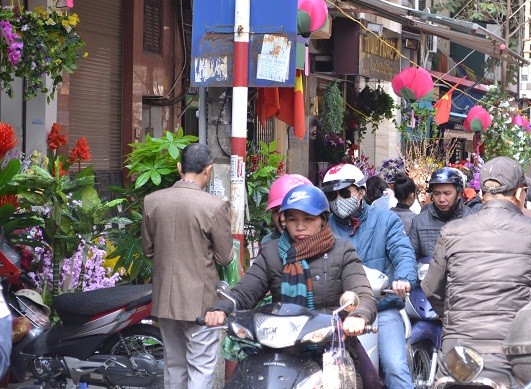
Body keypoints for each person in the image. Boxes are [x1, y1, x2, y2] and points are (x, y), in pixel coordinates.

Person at [422, 157, 531, 385]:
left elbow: (431, 289)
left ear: (481, 195)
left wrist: (456, 318)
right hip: (515, 354)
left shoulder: (452, 231)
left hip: (458, 356)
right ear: (521, 193)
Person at [204, 185, 377, 385]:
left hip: (329, 347)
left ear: (323, 219)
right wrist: (222, 308)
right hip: (277, 347)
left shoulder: (343, 251)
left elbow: (363, 293)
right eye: (293, 219)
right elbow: (245, 292)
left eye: (308, 219)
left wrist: (358, 315)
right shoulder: (272, 252)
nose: (300, 226)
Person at [142, 143, 233, 389]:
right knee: (201, 366)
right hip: (200, 303)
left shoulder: (152, 201)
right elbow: (225, 258)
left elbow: (148, 251)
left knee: (174, 365)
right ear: (209, 170)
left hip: (165, 300)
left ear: (179, 167)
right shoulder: (213, 206)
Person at [322, 163, 417, 389]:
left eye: (345, 193)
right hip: (336, 315)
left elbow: (403, 253)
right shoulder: (323, 228)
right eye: (331, 195)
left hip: (382, 309)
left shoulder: (386, 221)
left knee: (395, 368)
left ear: (361, 191)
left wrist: (403, 278)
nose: (338, 199)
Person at [408, 167, 477, 260]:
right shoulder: (419, 222)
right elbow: (409, 257)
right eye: (436, 193)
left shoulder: (473, 219)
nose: (441, 199)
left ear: (459, 194)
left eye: (447, 193)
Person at [261, 173, 313, 246]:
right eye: (276, 211)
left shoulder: (331, 247)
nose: (282, 219)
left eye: (290, 211)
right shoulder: (267, 245)